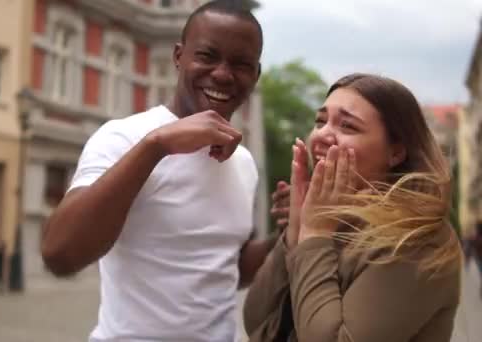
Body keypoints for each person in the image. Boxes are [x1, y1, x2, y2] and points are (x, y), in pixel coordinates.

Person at [42, 1, 275, 341]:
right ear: (179, 56)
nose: (223, 74)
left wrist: (287, 233)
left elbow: (226, 269)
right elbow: (59, 256)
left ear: (255, 74)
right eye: (208, 56)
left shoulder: (242, 162)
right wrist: (156, 147)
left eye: (240, 64)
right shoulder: (124, 138)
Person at [243, 73, 462, 342]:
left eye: (347, 126)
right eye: (320, 121)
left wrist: (314, 234)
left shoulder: (418, 239)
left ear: (396, 152)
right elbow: (257, 319)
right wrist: (295, 229)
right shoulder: (332, 218)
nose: (323, 134)